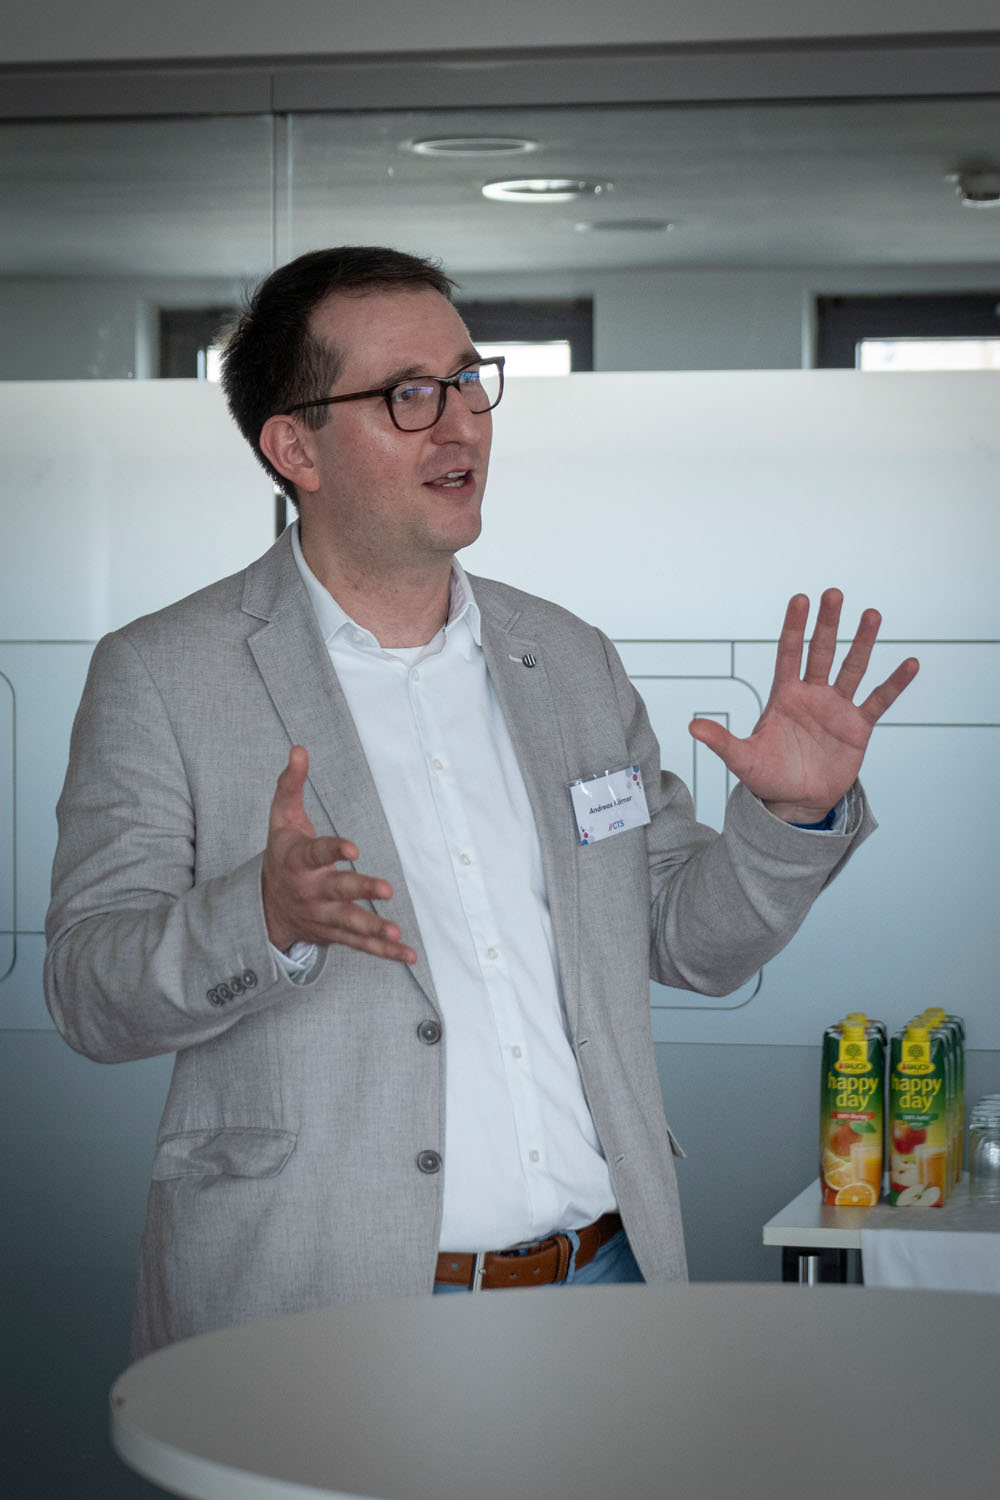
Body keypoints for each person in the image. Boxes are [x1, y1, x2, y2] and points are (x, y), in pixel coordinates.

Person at [44, 246, 918, 1357]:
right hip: (322, 1301)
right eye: (408, 394)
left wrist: (787, 823)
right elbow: (87, 990)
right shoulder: (164, 674)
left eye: (467, 380)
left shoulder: (568, 658)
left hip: (605, 1277)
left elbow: (683, 939)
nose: (459, 423)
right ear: (294, 447)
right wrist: (259, 919)